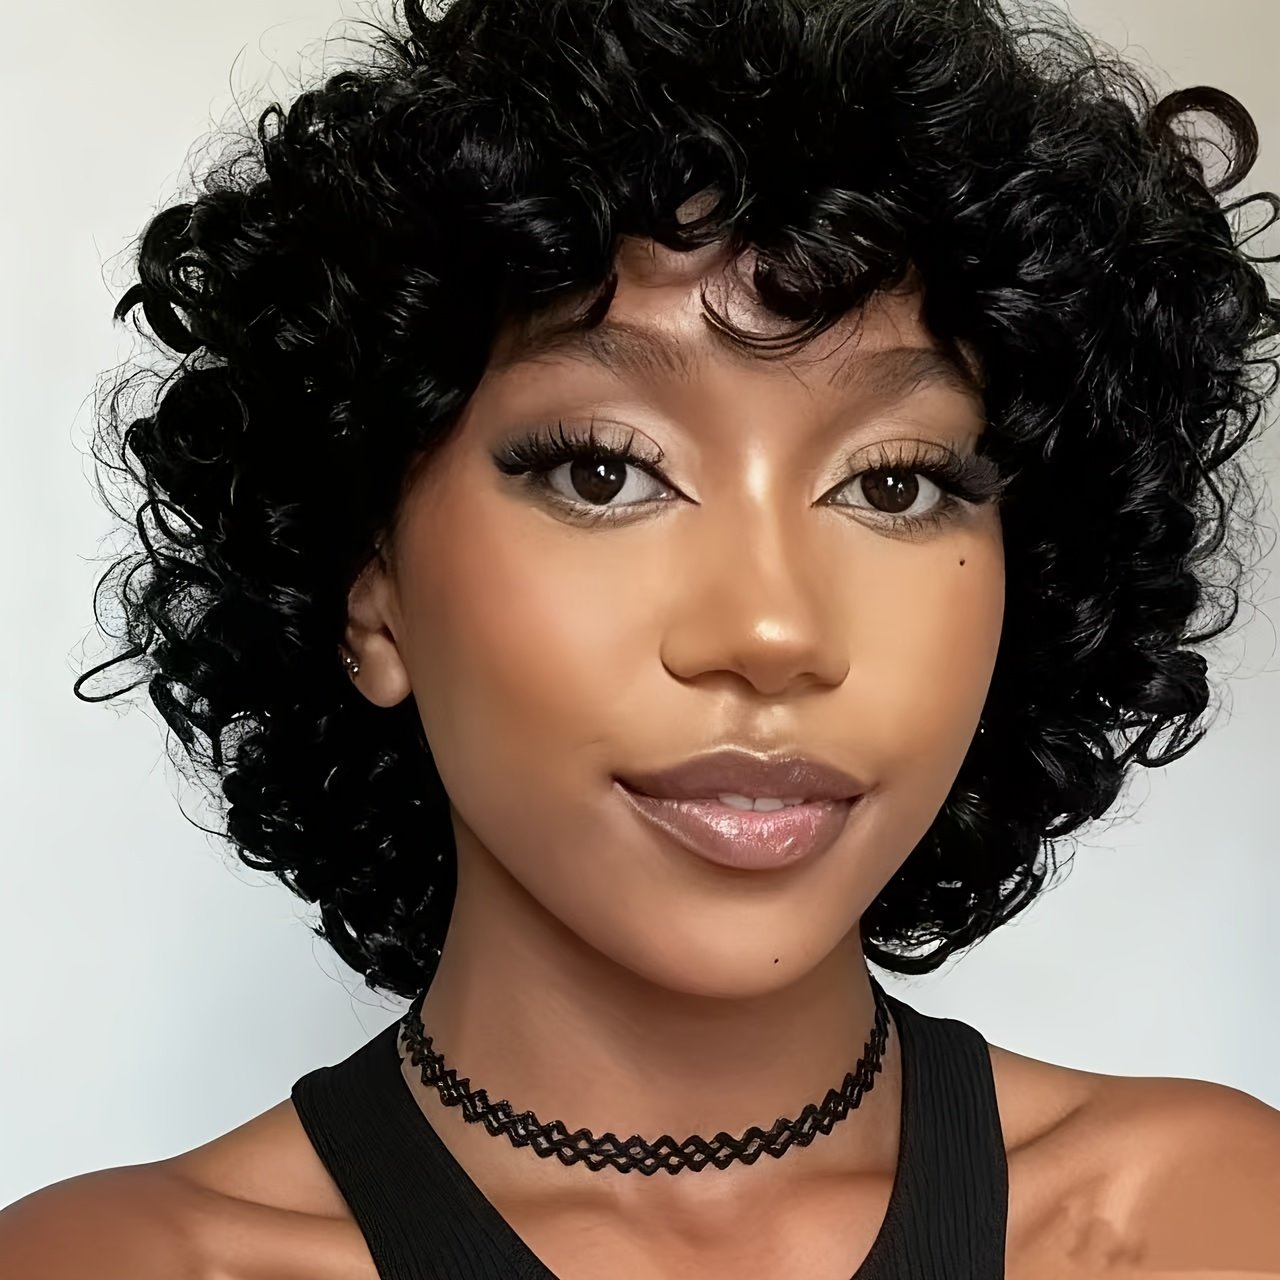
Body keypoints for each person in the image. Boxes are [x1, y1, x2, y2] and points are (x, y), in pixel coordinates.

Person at [4, 0, 1280, 1274]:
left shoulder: (1211, 1218)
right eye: (603, 471)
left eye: (893, 483)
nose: (772, 630)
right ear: (368, 585)